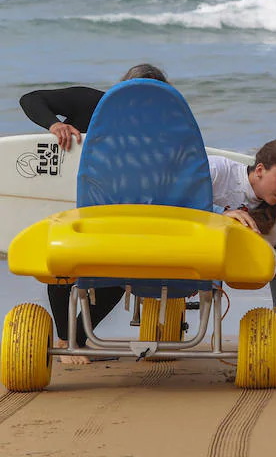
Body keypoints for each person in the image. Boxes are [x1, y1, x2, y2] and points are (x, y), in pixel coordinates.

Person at [19, 64, 168, 363]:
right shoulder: (92, 102)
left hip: (115, 212)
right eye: (133, 92)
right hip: (71, 205)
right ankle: (65, 339)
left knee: (120, 275)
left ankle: (77, 339)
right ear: (120, 89)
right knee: (62, 265)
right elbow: (31, 99)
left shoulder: (155, 129)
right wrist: (54, 125)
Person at [209, 140, 276, 336]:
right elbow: (171, 199)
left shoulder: (268, 217)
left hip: (209, 265)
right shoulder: (218, 170)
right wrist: (220, 212)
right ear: (260, 169)